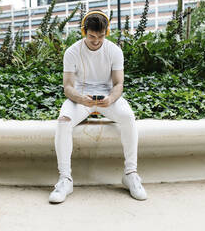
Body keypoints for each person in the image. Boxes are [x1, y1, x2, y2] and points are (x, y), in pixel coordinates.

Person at [49, 10, 147, 203]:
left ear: (107, 32)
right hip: (81, 98)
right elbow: (68, 87)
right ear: (84, 31)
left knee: (128, 117)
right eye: (92, 36)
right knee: (63, 121)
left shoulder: (114, 51)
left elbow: (119, 84)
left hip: (107, 97)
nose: (96, 41)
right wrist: (80, 98)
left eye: (100, 36)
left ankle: (130, 174)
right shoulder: (72, 52)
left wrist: (111, 98)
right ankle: (65, 179)